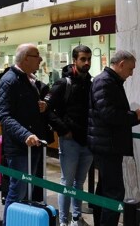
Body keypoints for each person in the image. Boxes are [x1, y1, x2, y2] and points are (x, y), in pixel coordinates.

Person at [88, 50, 140, 226]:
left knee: (105, 190)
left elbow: (113, 115)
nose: (132, 73)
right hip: (107, 146)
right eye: (131, 68)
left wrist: (137, 117)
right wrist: (134, 115)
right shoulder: (105, 82)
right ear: (122, 63)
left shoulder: (111, 81)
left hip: (108, 144)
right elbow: (109, 115)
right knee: (114, 193)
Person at [0, 43, 49, 225]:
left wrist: (41, 106)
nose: (40, 59)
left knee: (26, 190)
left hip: (31, 145)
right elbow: (3, 115)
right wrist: (25, 134)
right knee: (17, 191)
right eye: (37, 55)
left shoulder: (28, 80)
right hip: (20, 147)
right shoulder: (9, 80)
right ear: (26, 58)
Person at [44, 45, 93, 226]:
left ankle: (76, 217)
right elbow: (47, 110)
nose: (86, 62)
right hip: (70, 141)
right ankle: (63, 221)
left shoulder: (91, 83)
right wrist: (64, 130)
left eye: (88, 59)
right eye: (83, 59)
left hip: (87, 140)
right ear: (75, 60)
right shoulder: (63, 83)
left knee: (79, 183)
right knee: (67, 183)